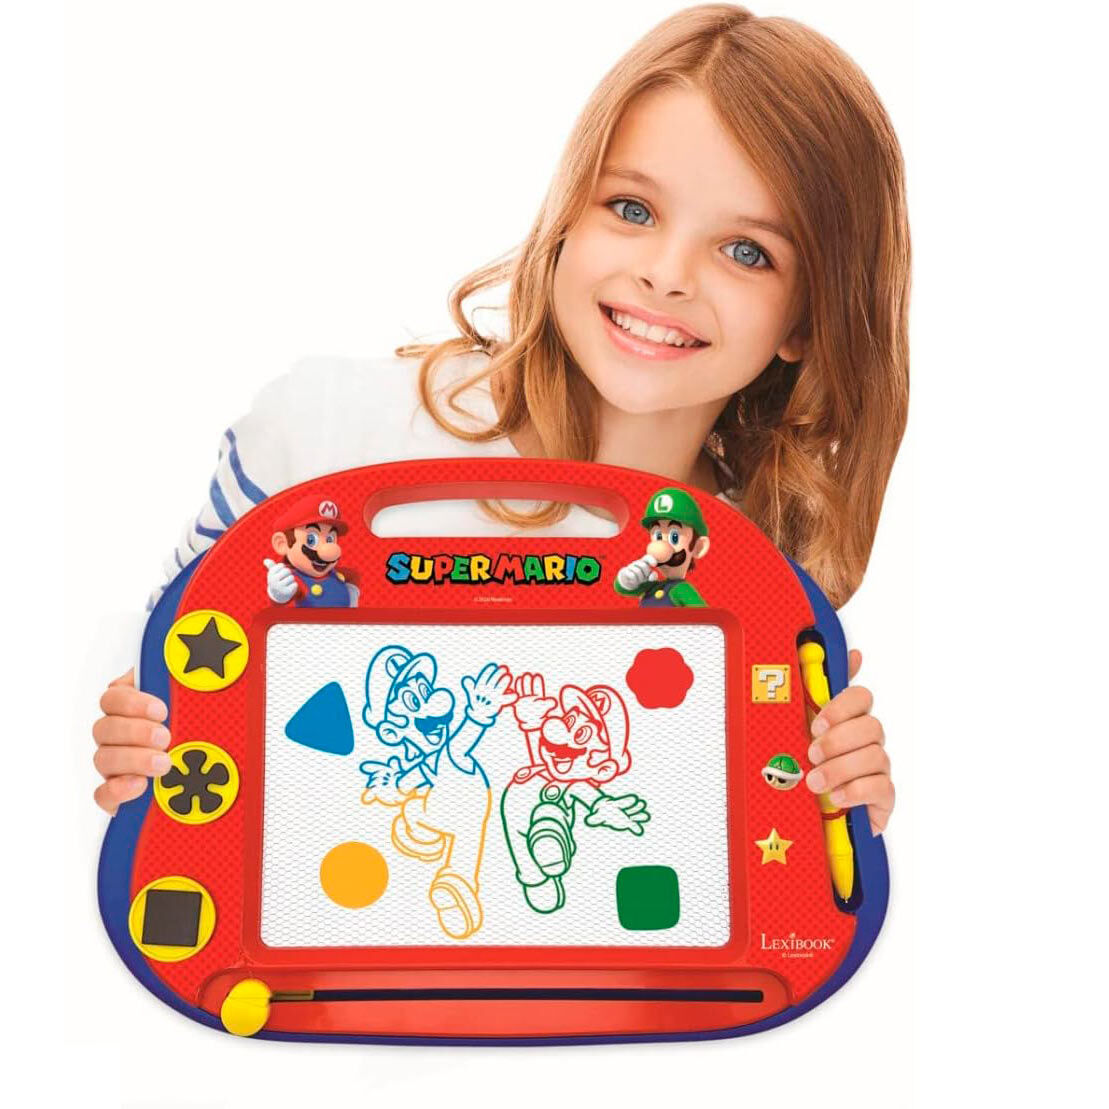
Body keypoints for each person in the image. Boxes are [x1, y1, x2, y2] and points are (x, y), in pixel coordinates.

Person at [91, 4, 905, 839]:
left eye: (746, 251)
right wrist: (131, 735)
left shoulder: (758, 576)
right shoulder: (325, 432)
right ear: (567, 214)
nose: (667, 274)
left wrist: (828, 809)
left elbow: (704, 849)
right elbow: (164, 686)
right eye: (631, 208)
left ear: (808, 319)